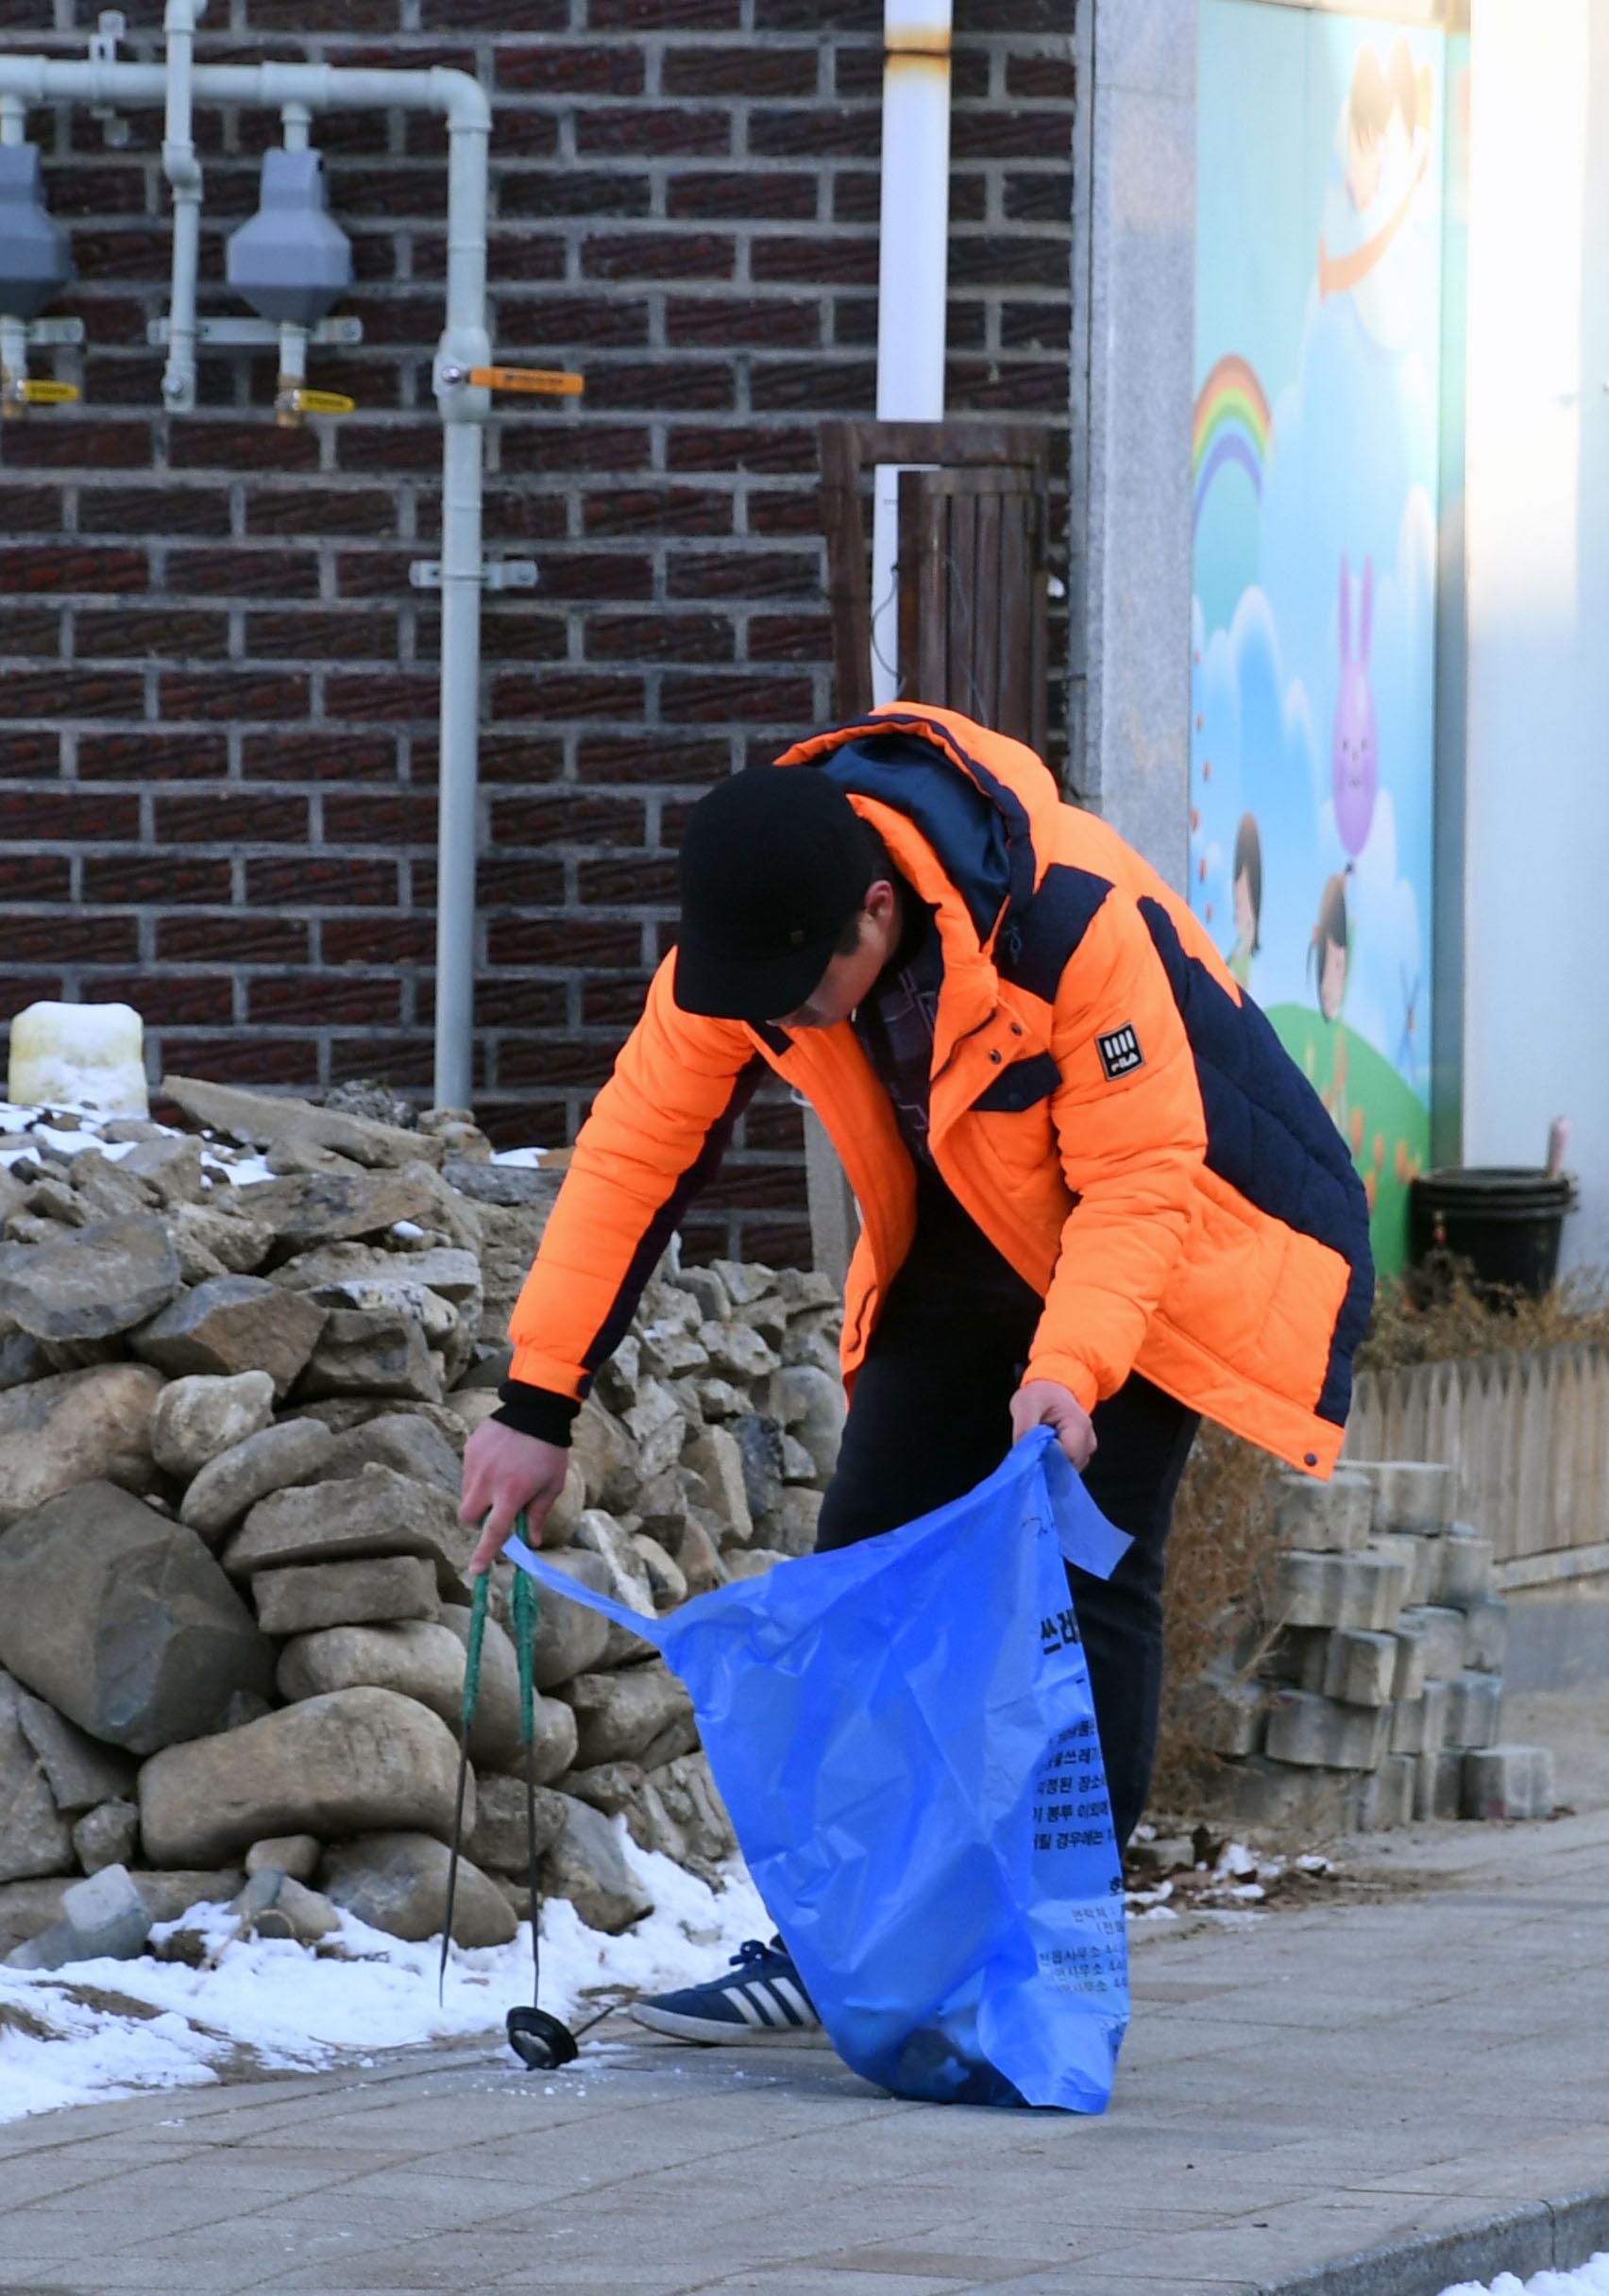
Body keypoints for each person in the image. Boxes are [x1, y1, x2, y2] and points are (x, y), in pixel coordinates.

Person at [460, 703, 1375, 2048]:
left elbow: (1139, 1176)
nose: (777, 1022)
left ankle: (1040, 1957)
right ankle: (835, 1949)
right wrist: (537, 1401)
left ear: (875, 913)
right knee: (866, 1579)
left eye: (796, 997)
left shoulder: (1070, 911)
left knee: (1079, 1576)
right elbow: (632, 1156)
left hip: (1170, 1241)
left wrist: (1070, 1371)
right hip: (968, 1241)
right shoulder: (753, 940)